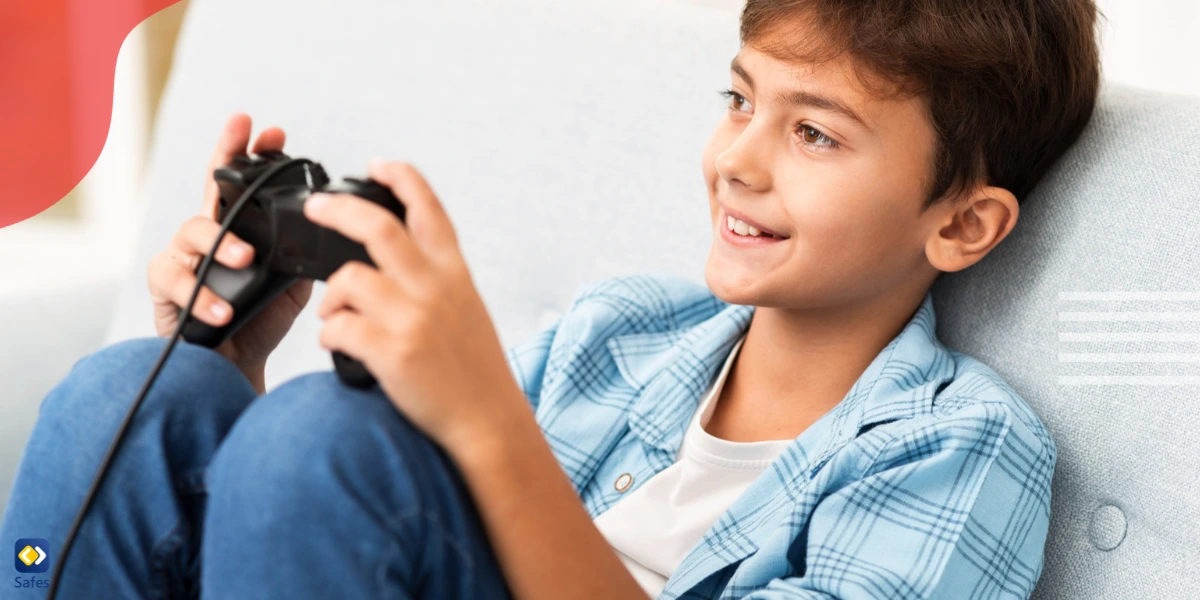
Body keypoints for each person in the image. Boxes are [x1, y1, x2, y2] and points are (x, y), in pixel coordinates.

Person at [1, 0, 1101, 598]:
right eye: (739, 100)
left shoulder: (963, 446)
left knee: (319, 439)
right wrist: (228, 368)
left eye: (814, 132)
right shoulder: (617, 334)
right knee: (138, 398)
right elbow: (367, 529)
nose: (738, 160)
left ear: (961, 223)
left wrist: (479, 413)